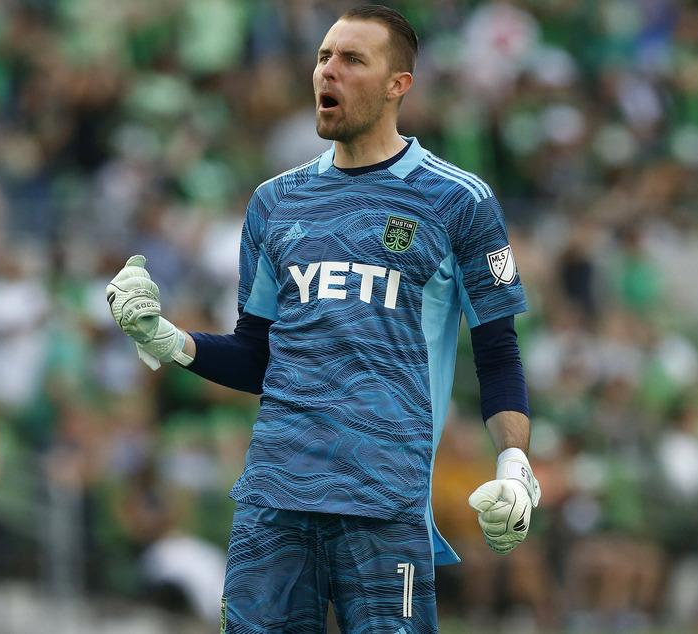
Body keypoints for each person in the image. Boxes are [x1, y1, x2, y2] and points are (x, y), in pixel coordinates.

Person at [106, 6, 540, 632]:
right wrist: (166, 340)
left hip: (385, 504)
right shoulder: (274, 203)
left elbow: (499, 354)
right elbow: (258, 356)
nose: (327, 71)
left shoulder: (458, 201)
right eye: (322, 57)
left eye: (352, 59)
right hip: (272, 500)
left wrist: (514, 466)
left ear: (399, 84)